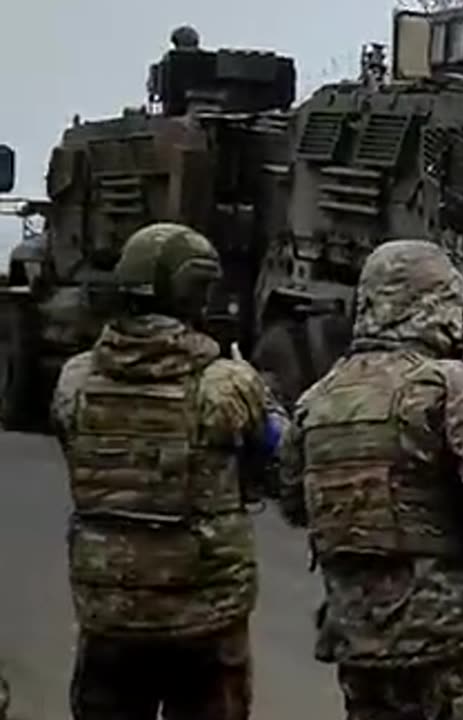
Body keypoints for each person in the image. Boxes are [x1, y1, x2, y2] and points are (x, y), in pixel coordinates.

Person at [276, 239, 463, 720]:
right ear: (438, 306)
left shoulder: (318, 400)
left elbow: (296, 504)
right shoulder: (447, 384)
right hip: (450, 645)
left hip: (362, 648)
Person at [50, 222, 284, 720]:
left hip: (109, 612)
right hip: (204, 616)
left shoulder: (76, 379)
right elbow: (278, 456)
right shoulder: (226, 384)